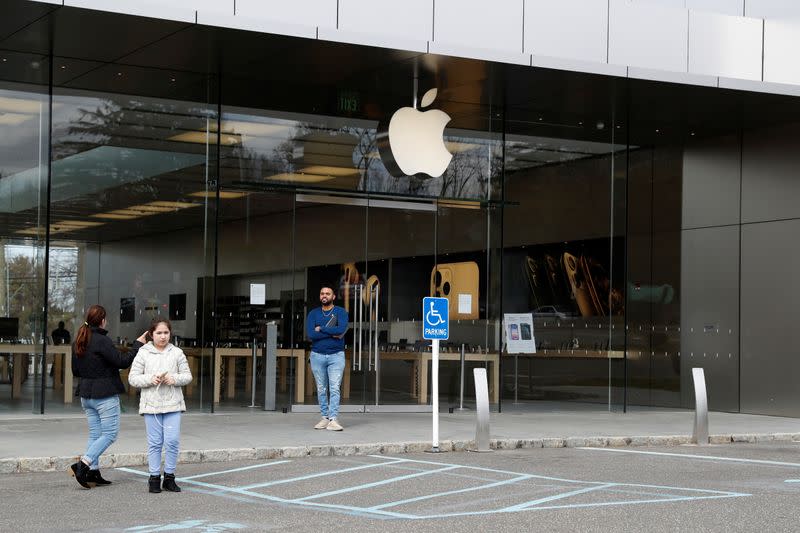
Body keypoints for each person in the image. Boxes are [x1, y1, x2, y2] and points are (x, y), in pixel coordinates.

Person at [69, 305, 136, 489]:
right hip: (104, 395)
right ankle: (84, 464)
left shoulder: (78, 340)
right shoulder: (102, 340)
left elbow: (75, 370)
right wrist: (137, 346)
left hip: (86, 395)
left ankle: (93, 472)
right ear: (103, 320)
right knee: (110, 434)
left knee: (95, 434)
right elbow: (122, 361)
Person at [128, 317, 192, 494]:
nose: (163, 336)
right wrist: (150, 379)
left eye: (166, 333)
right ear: (151, 334)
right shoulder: (143, 352)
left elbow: (187, 376)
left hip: (173, 404)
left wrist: (174, 379)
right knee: (155, 443)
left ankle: (170, 477)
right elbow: (132, 378)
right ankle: (154, 478)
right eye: (159, 333)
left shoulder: (177, 352)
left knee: (172, 441)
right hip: (152, 405)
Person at [306, 284, 349, 431]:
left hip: (336, 356)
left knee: (335, 388)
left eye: (328, 293)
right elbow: (311, 335)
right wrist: (332, 332)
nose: (324, 296)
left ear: (333, 297)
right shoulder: (313, 314)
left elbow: (341, 329)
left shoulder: (341, 312)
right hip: (317, 355)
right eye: (322, 293)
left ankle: (333, 419)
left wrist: (322, 328)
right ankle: (324, 418)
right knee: (321, 388)